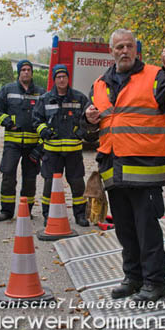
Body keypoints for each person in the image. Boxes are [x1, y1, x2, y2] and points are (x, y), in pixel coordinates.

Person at [84, 29, 165, 302]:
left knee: (147, 231)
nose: (124, 51)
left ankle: (155, 283)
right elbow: (89, 128)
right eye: (119, 46)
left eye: (129, 46)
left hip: (144, 170)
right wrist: (89, 119)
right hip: (113, 169)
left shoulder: (155, 76)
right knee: (125, 230)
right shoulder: (100, 84)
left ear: (136, 50)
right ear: (111, 51)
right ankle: (133, 278)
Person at [33, 64, 95, 227]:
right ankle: (48, 215)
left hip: (73, 151)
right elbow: (36, 120)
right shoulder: (45, 99)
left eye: (64, 76)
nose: (62, 79)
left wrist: (82, 132)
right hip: (52, 152)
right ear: (54, 79)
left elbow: (88, 119)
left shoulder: (79, 98)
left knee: (77, 185)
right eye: (58, 77)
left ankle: (80, 215)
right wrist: (43, 130)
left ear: (68, 78)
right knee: (49, 187)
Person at [0, 60, 45, 222]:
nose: (26, 72)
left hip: (33, 145)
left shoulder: (41, 93)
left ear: (32, 73)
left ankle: (26, 210)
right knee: (8, 175)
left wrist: (40, 147)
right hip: (12, 144)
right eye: (23, 69)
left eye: (29, 69)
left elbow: (47, 116)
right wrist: (6, 121)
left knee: (30, 178)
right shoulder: (7, 90)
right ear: (18, 72)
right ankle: (6, 211)